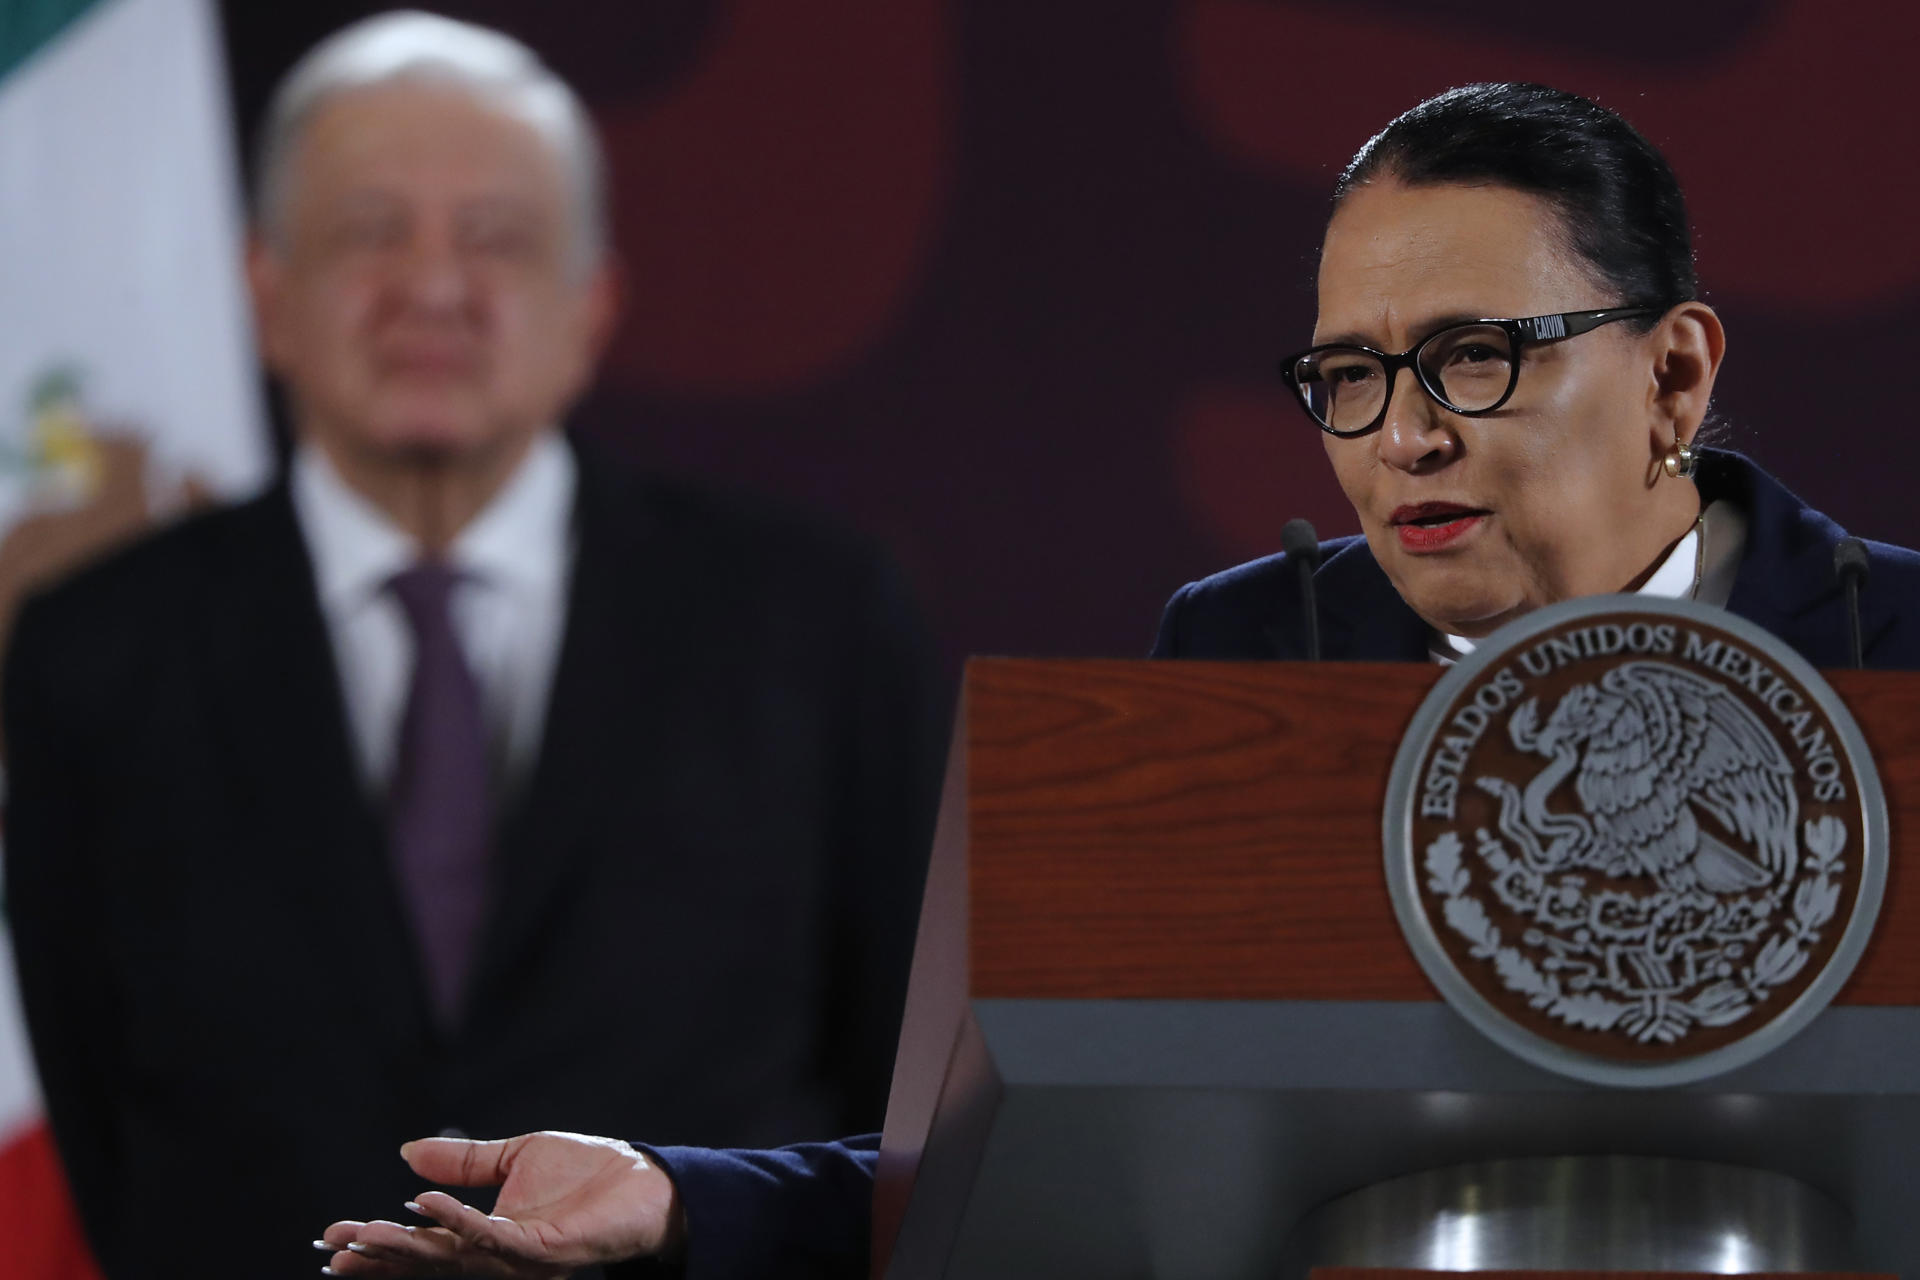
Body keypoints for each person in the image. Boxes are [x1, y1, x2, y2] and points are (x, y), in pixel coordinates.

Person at [312, 82, 1920, 1279]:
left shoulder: (1896, 660)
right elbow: (1049, 1144)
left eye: (1475, 356)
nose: (1403, 436)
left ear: (1678, 371)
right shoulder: (1244, 674)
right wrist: (681, 1195)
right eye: (1349, 377)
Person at [4, 13, 942, 1280]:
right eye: (368, 231)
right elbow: (98, 1104)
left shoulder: (818, 622)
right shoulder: (90, 653)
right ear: (267, 293)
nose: (431, 285)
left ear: (592, 301)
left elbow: (904, 1091)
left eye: (494, 238)